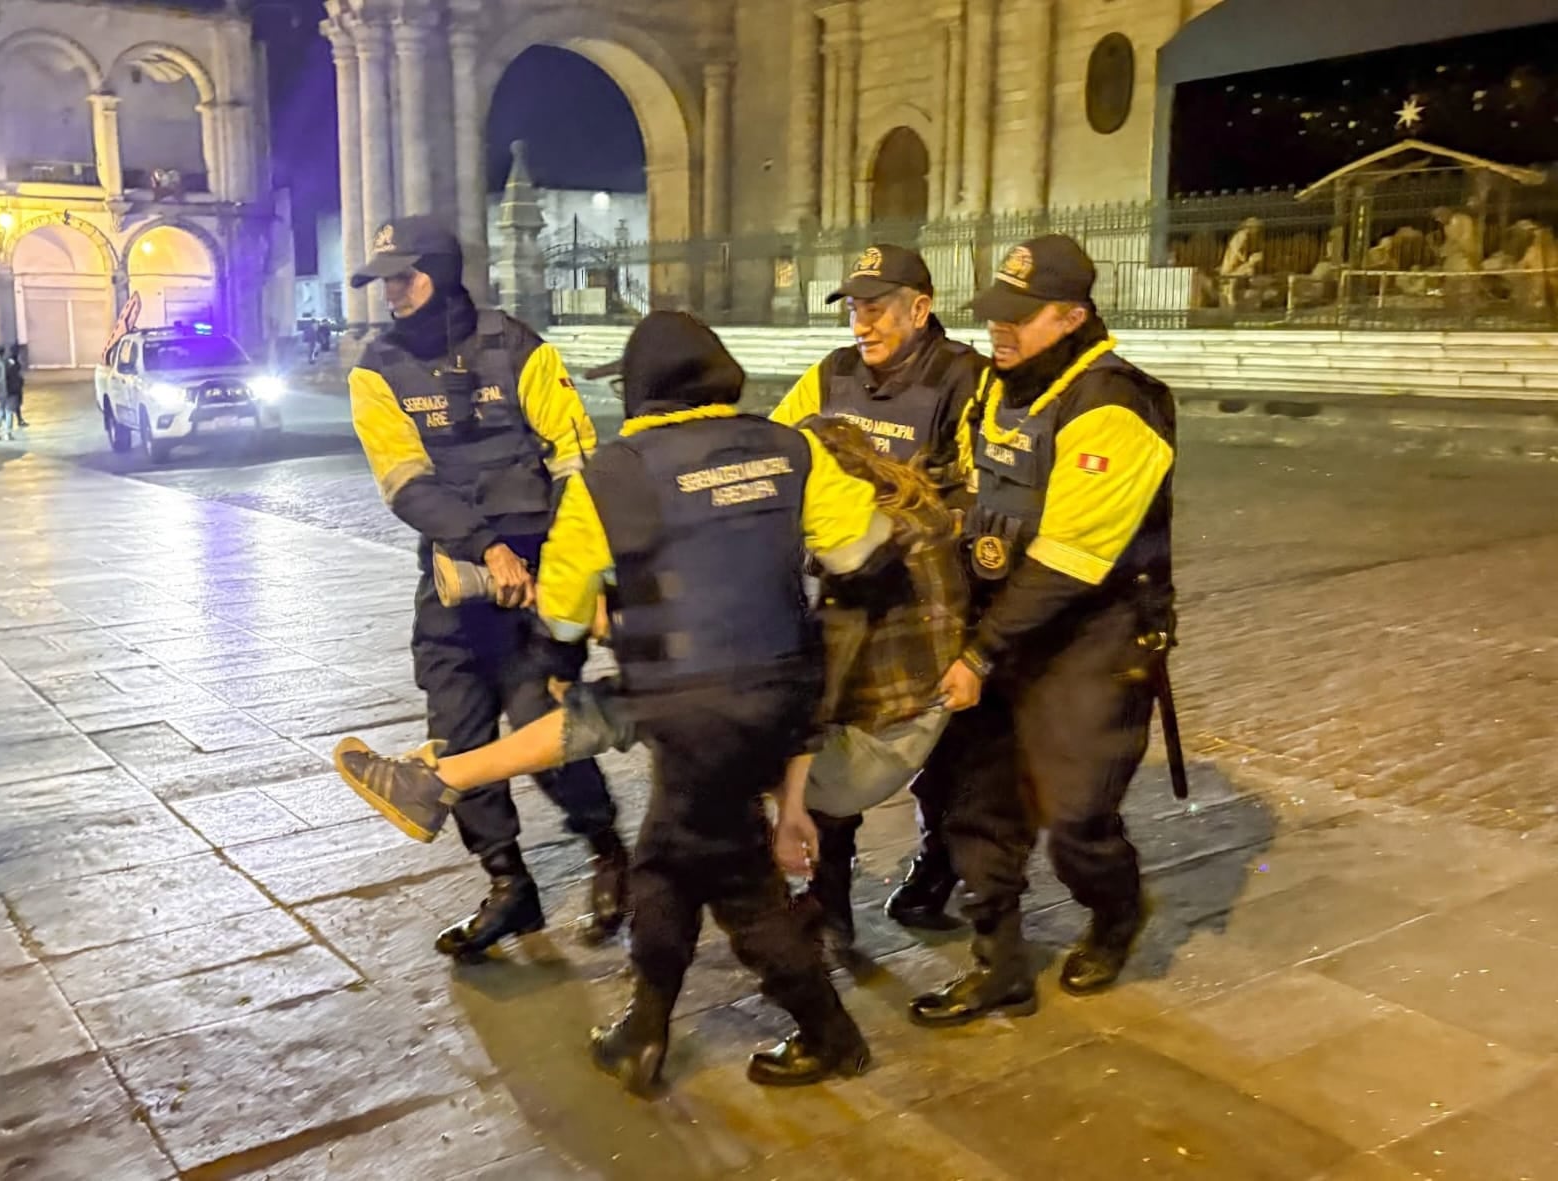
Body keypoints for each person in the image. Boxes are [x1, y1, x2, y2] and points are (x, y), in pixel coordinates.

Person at [339, 311, 886, 1095]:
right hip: (782, 690)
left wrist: (559, 666)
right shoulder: (788, 448)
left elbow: (562, 609)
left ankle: (828, 1031)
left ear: (646, 391)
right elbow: (862, 553)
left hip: (688, 703)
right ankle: (645, 1028)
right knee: (669, 862)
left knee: (735, 882)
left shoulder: (620, 472)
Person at [335, 416, 969, 957]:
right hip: (875, 731)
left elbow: (813, 688)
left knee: (644, 703)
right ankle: (444, 781)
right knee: (673, 695)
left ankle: (440, 780)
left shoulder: (860, 564)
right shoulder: (894, 524)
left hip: (865, 751)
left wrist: (793, 810)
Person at [909, 236, 1178, 1027]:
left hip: (1094, 633)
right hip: (1001, 623)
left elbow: (1068, 561)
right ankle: (1001, 966)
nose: (1001, 330)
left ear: (1073, 317)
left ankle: (1115, 911)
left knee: (1075, 815)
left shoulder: (1114, 405)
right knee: (978, 799)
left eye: (1020, 319)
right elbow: (971, 487)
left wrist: (981, 652)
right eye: (996, 314)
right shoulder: (1002, 384)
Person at [346, 216, 627, 962]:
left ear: (435, 273)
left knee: (547, 727)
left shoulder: (518, 346)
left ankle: (608, 851)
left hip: (539, 583)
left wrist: (567, 567)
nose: (390, 296)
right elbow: (404, 481)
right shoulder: (375, 369)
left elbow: (573, 457)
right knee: (457, 740)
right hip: (456, 584)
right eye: (382, 282)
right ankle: (509, 884)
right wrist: (485, 546)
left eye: (400, 279)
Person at [771, 243, 991, 934]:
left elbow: (974, 495)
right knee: (834, 728)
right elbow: (781, 447)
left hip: (929, 600)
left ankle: (938, 866)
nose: (861, 326)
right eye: (855, 310)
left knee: (946, 756)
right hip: (846, 589)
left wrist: (878, 518)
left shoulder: (964, 379)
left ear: (920, 309)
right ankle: (827, 896)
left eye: (877, 310)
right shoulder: (833, 371)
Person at [6, 345, 27, 428]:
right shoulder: (11, 362)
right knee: (14, 405)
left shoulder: (14, 360)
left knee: (17, 404)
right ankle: (17, 420)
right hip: (13, 387)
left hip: (16, 386)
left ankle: (19, 420)